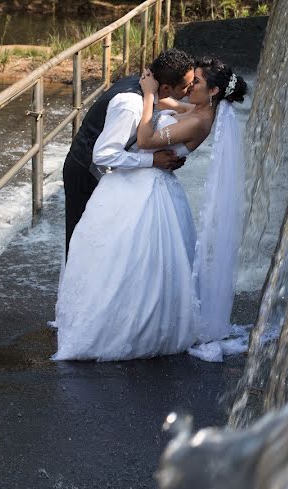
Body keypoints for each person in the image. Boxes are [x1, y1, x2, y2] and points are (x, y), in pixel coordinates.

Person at [53, 57, 246, 362]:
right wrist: (154, 88)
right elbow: (171, 103)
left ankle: (130, 327)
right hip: (141, 184)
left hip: (150, 188)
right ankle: (110, 314)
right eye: (189, 80)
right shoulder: (197, 110)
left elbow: (145, 140)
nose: (190, 87)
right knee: (119, 257)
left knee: (138, 260)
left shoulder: (199, 120)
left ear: (213, 91)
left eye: (195, 82)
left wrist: (146, 97)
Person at [61, 48, 194, 257]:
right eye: (186, 87)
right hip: (85, 172)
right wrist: (152, 160)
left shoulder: (146, 85)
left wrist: (196, 112)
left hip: (100, 170)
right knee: (82, 242)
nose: (190, 90)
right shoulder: (130, 106)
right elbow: (104, 154)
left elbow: (160, 103)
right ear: (167, 87)